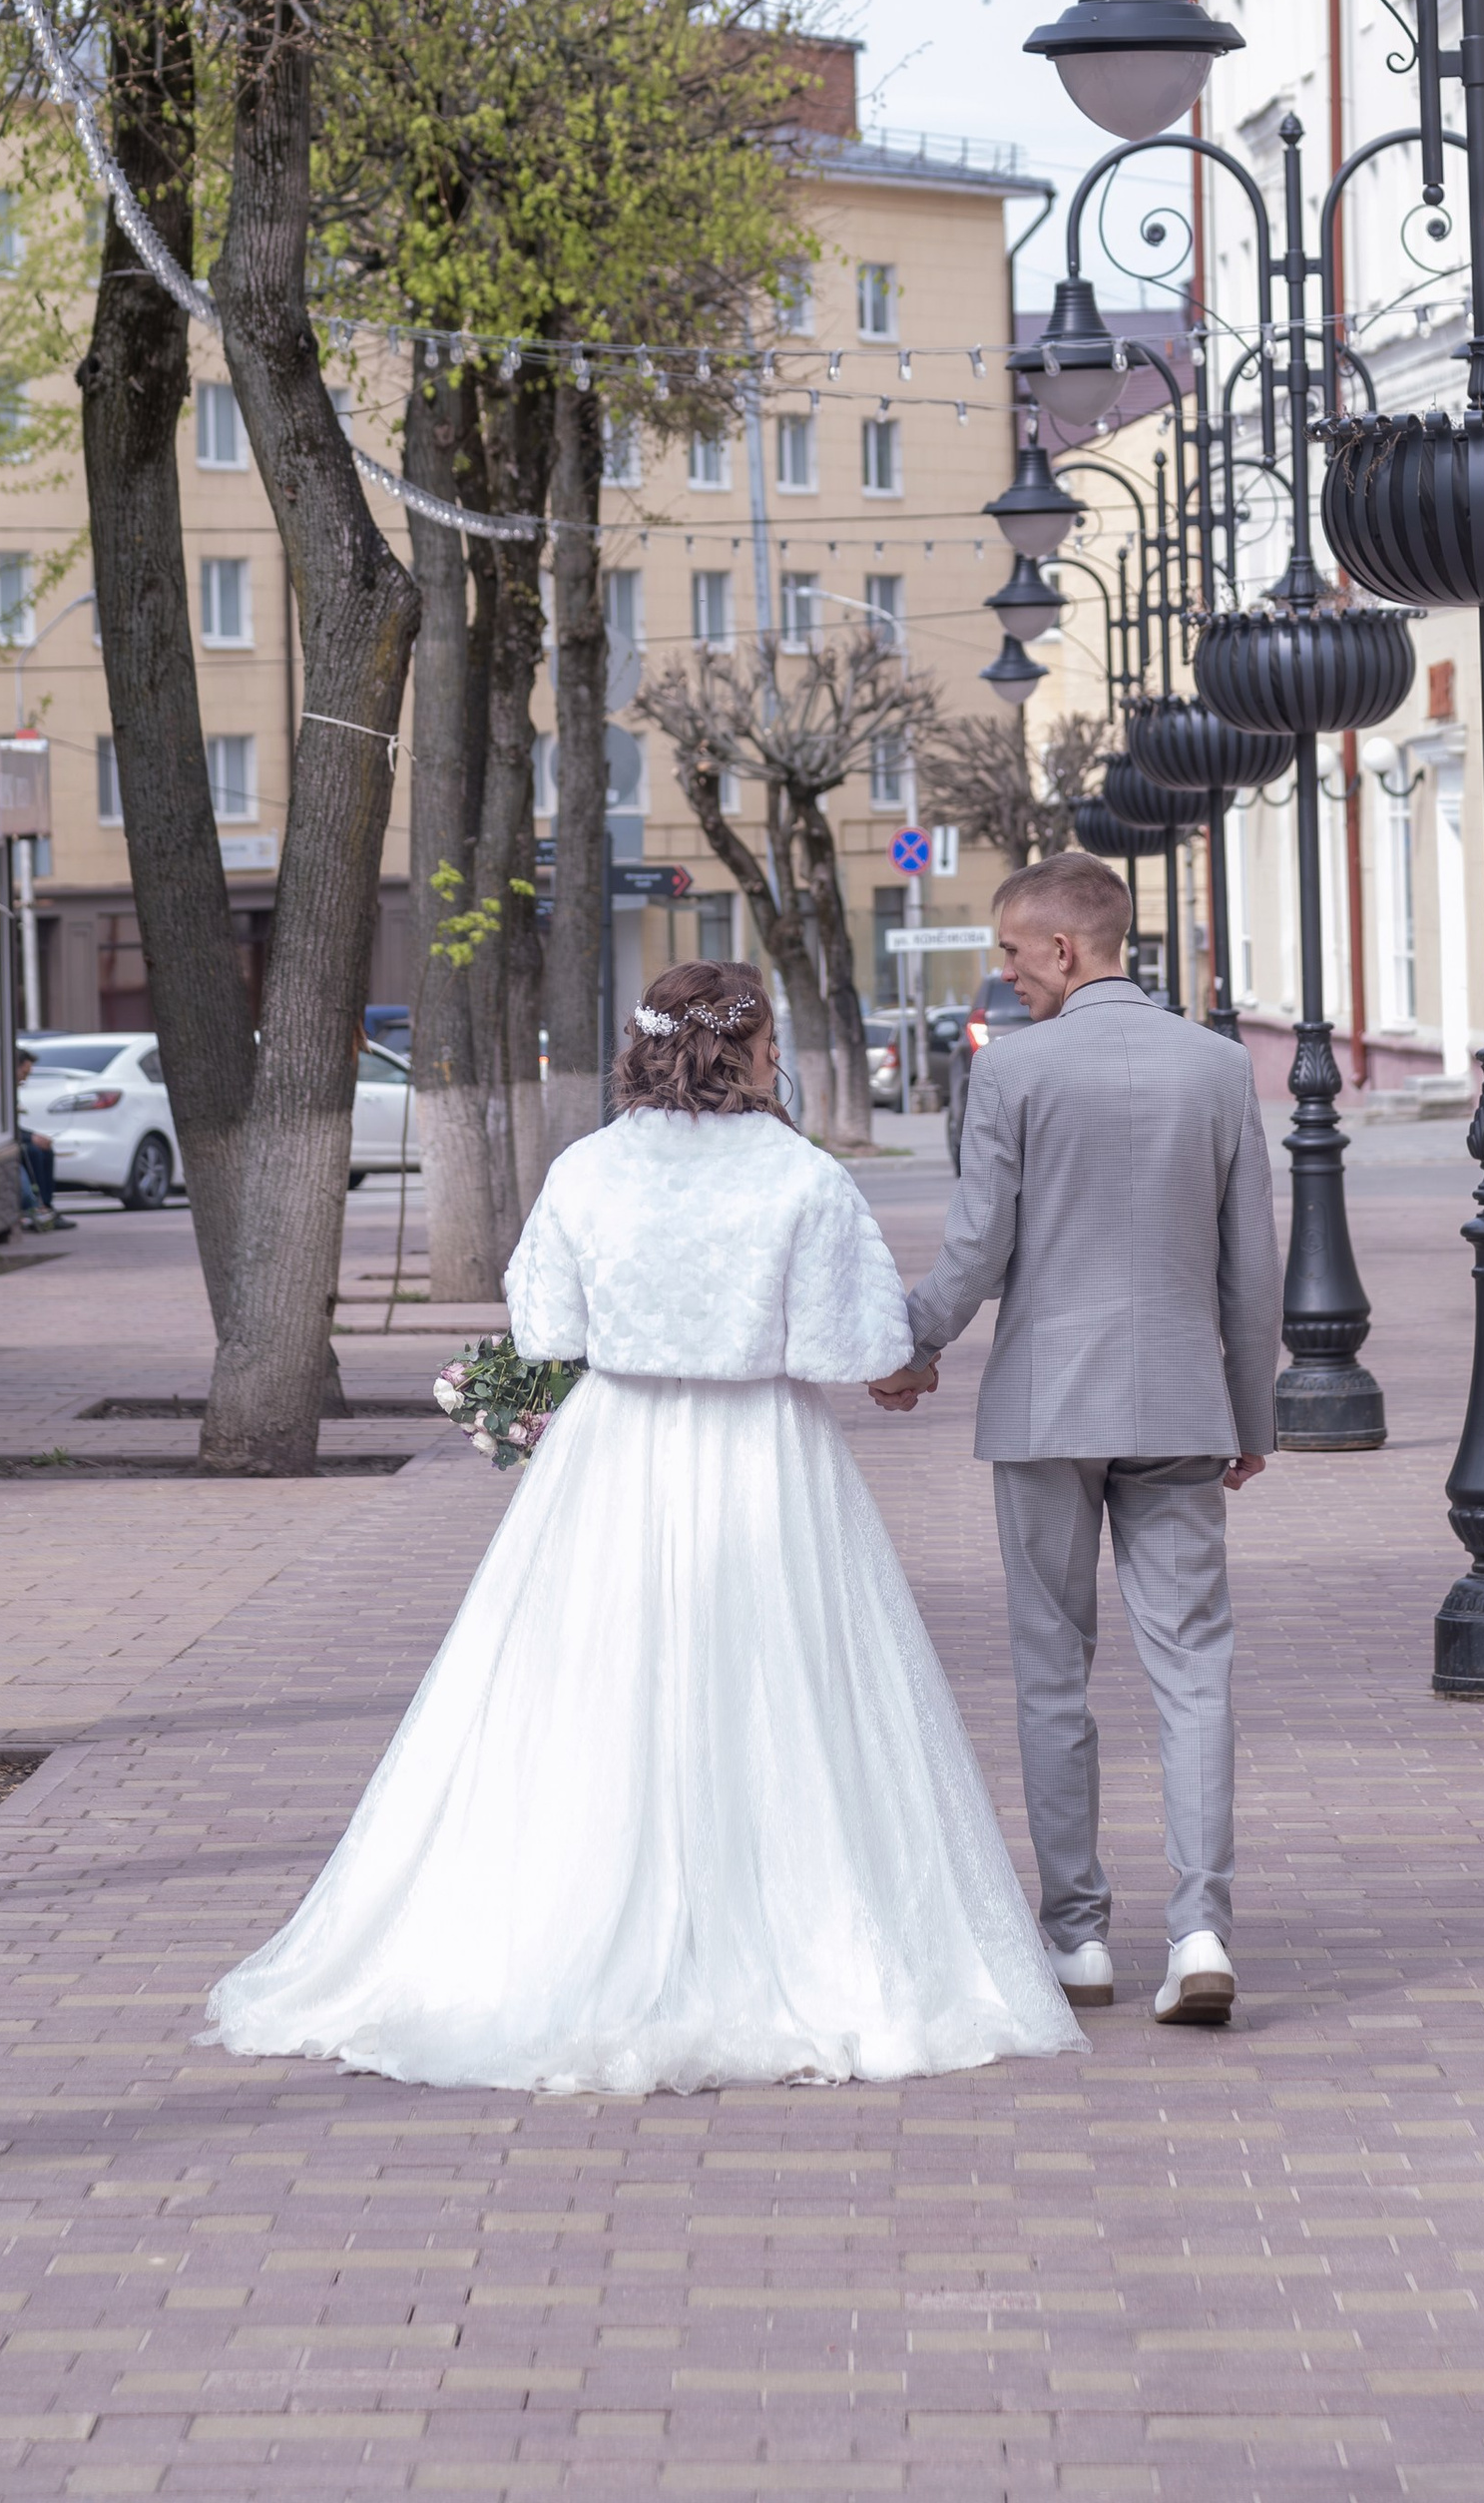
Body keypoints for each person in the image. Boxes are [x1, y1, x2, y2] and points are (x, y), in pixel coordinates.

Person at [204, 961, 1082, 2096]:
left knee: (586, 1693)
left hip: (611, 1460)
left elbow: (546, 1324)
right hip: (762, 1463)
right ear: (753, 1051)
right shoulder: (800, 1180)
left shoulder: (587, 1171)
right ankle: (798, 1939)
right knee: (784, 1695)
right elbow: (844, 1351)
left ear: (647, 1047)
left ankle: (564, 1930)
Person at [872, 853, 1280, 2032]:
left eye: (1010, 952)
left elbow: (975, 1254)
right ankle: (1200, 1927)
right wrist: (1249, 1415)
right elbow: (1249, 1264)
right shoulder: (1215, 1067)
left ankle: (1080, 1938)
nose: (1004, 975)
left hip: (1048, 1408)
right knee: (1193, 1666)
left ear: (1064, 949)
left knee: (1055, 1671)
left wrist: (906, 1346)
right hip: (1176, 1405)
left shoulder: (1016, 1074)